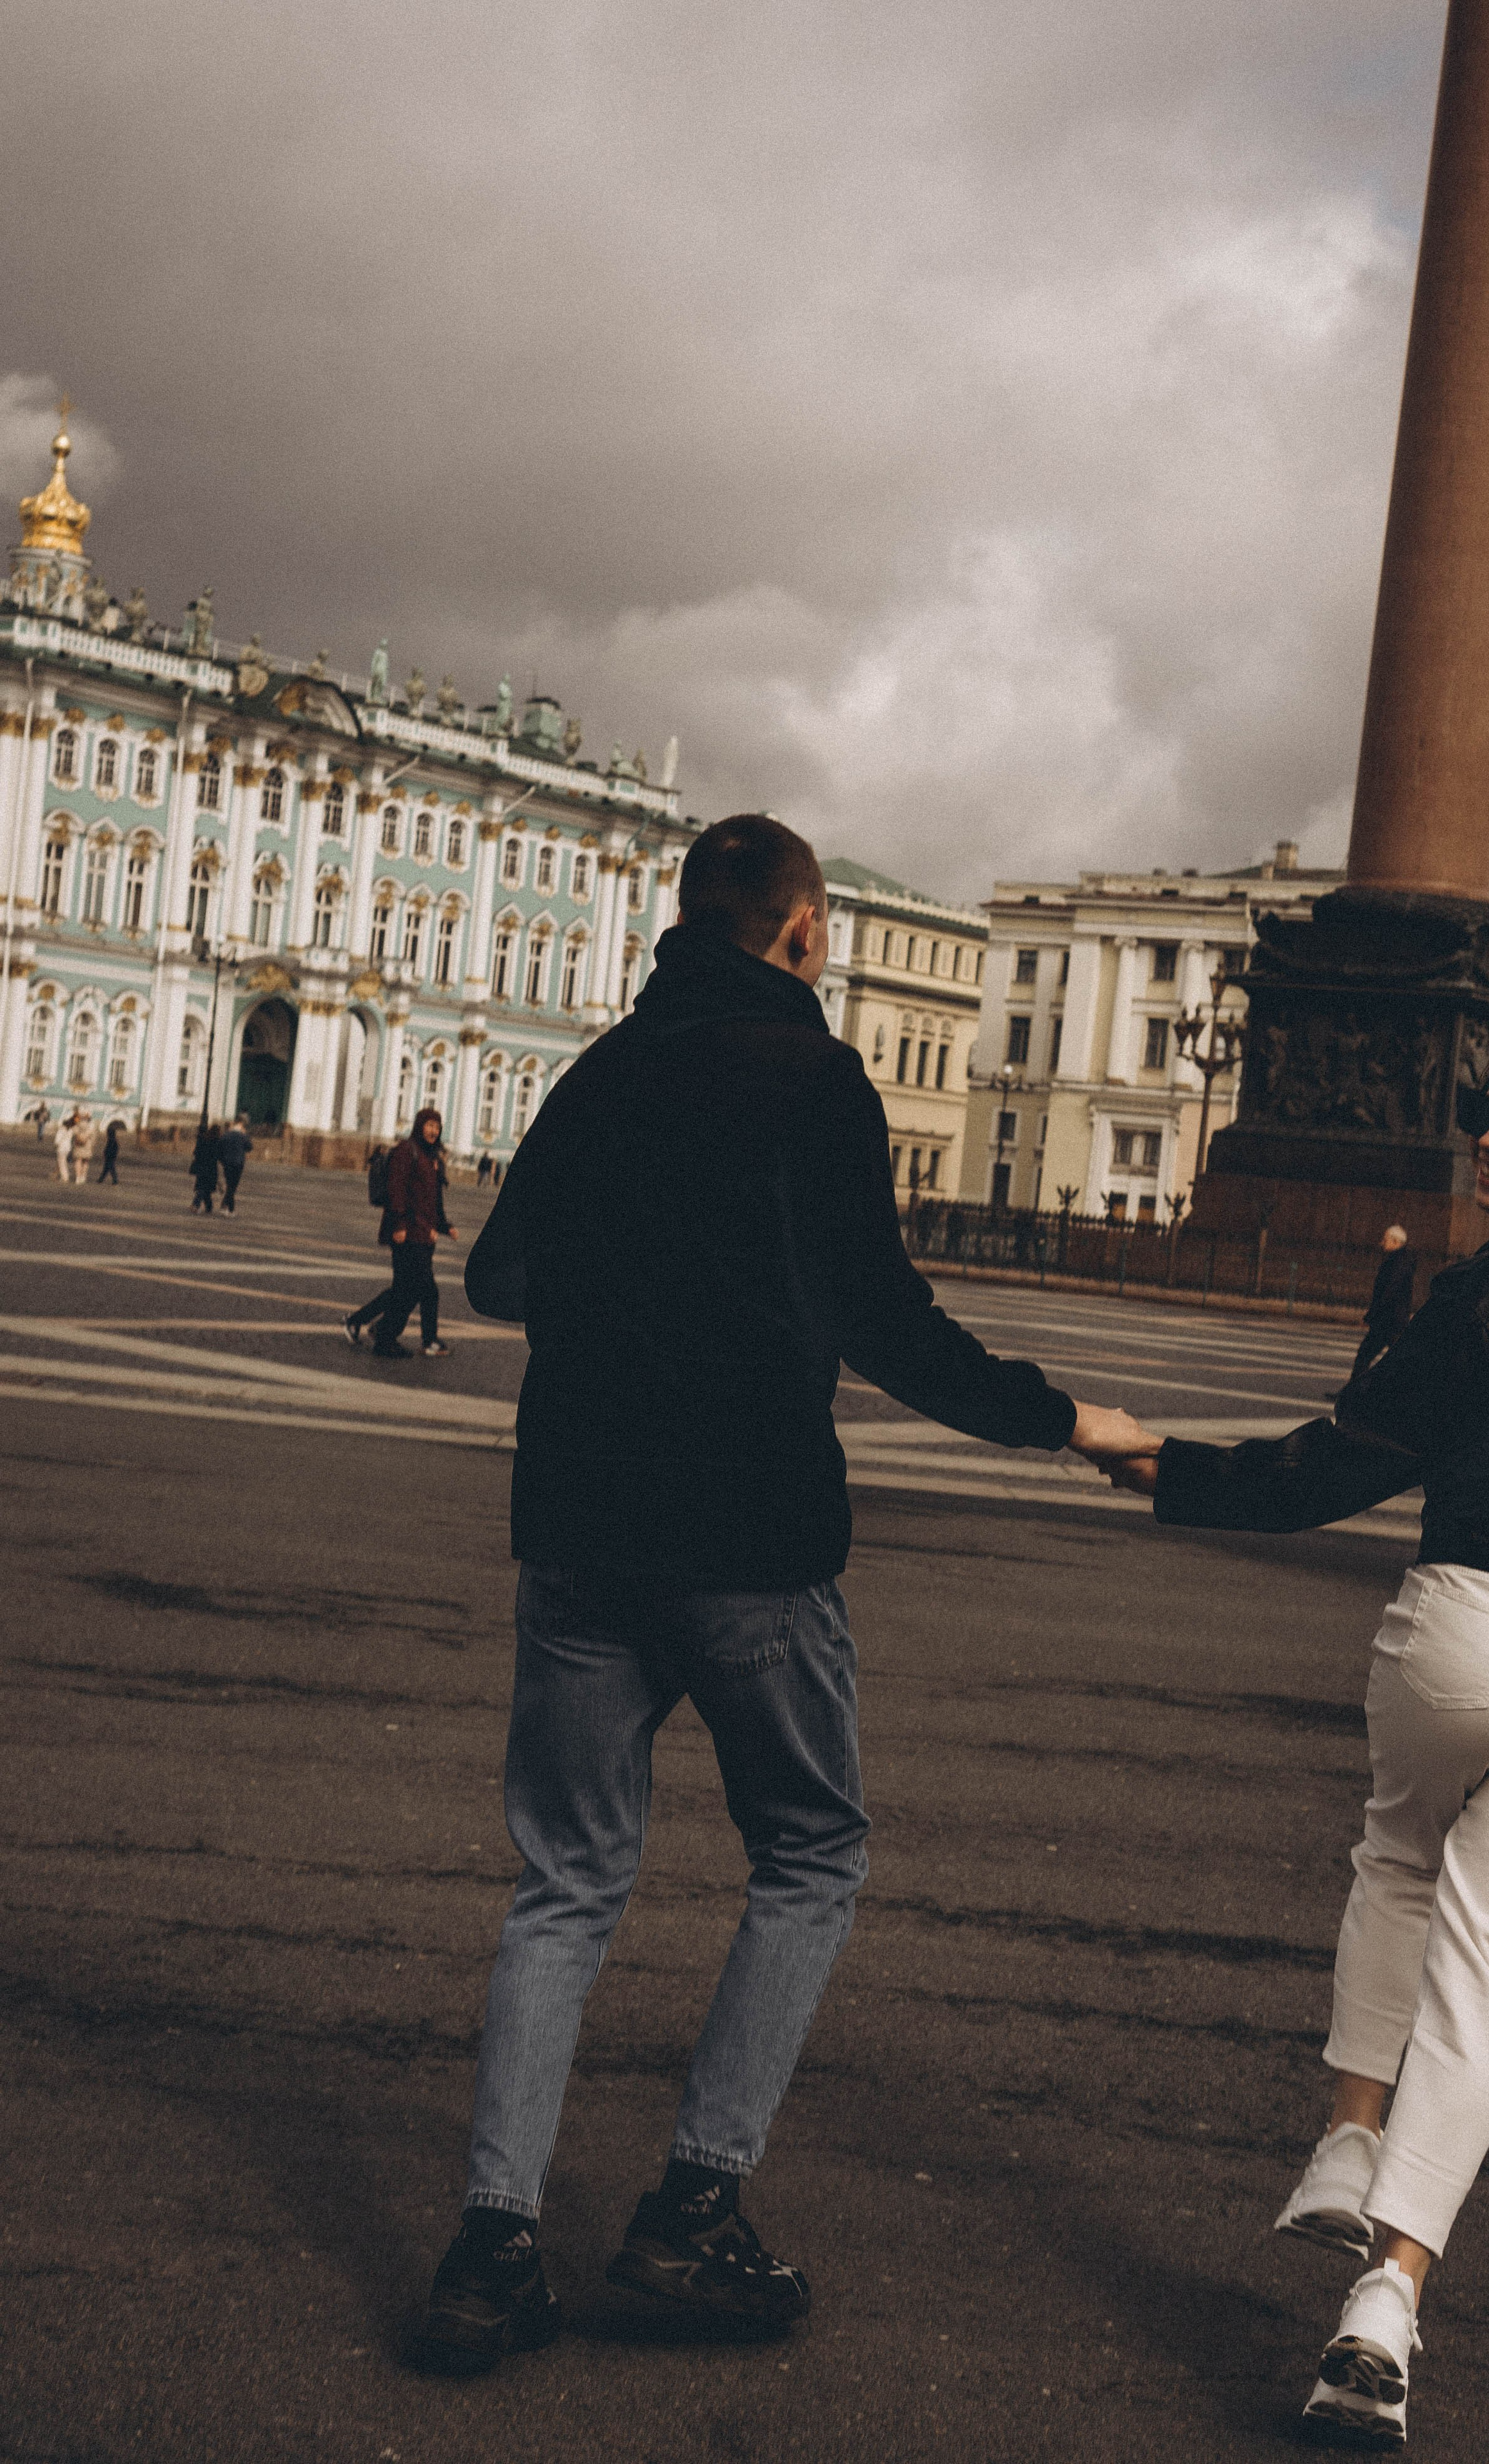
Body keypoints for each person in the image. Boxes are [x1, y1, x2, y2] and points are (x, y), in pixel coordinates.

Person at [410, 813, 1137, 2376]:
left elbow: (498, 1281)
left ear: (688, 919)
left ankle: (491, 2243)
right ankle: (689, 2202)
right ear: (801, 931)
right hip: (746, 1530)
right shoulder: (815, 1079)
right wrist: (1061, 1417)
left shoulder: (601, 1070)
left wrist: (634, 1282)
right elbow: (883, 1312)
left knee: (564, 1881)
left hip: (582, 1527)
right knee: (808, 1850)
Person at [1101, 1029, 1489, 2449]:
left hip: (1466, 1621)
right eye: (1480, 1113)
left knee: (1398, 1859)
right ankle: (1383, 2307)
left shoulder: (1484, 1293)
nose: (1481, 1140)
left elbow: (1330, 1465)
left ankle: (1347, 2140)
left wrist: (1156, 1464)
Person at [343, 1108, 456, 1357]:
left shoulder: (432, 1157)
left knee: (407, 1289)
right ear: (419, 1126)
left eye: (437, 1127)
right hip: (407, 1234)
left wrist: (444, 1226)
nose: (433, 1131)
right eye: (429, 1126)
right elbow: (397, 1191)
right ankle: (389, 1337)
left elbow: (433, 1200)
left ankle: (364, 1323)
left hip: (424, 1235)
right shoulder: (407, 1151)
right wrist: (400, 1226)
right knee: (416, 1289)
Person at [1343, 1224, 1415, 1388]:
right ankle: (1355, 1391)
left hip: (1388, 1319)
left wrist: (1372, 1315)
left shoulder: (1397, 1263)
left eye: (1386, 1240)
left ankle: (1354, 1392)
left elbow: (1388, 1292)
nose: (1382, 1243)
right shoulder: (1401, 1261)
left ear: (1396, 1242)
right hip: (1393, 1319)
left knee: (1366, 1355)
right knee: (1394, 1358)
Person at [217, 1116, 251, 1213]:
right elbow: (249, 1147)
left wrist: (222, 1160)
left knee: (229, 1184)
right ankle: (229, 1209)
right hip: (238, 1163)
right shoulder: (243, 1136)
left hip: (227, 1163)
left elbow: (220, 1147)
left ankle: (225, 1205)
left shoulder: (226, 1135)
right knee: (233, 1186)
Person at [189, 1121, 220, 1213]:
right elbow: (218, 1156)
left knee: (204, 1188)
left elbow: (196, 1153)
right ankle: (196, 1205)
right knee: (205, 1189)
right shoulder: (217, 1142)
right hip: (211, 1169)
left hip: (201, 1167)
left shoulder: (203, 1140)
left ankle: (209, 1207)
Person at [69, 1109, 96, 1186]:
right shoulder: (91, 1126)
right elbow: (93, 1136)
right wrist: (92, 1144)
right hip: (88, 1145)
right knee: (85, 1161)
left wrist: (79, 1137)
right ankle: (83, 1177)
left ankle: (78, 1177)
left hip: (78, 1144)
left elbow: (73, 1132)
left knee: (78, 1160)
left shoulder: (77, 1124)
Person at [98, 1118, 121, 1186]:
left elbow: (109, 1149)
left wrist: (105, 1153)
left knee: (110, 1168)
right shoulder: (114, 1140)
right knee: (107, 1169)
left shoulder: (111, 1141)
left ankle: (115, 1180)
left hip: (110, 1157)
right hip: (112, 1156)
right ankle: (101, 1179)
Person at [53, 1111, 74, 1183]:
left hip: (61, 1148)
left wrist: (56, 1145)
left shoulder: (61, 1130)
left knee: (62, 1163)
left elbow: (57, 1140)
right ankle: (55, 1175)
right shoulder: (71, 1130)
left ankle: (65, 1177)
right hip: (68, 1148)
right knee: (61, 1161)